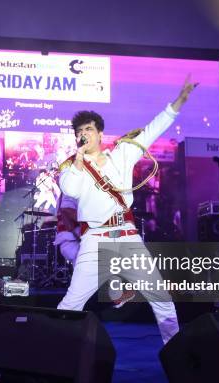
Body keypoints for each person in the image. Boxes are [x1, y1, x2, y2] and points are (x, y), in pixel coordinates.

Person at [56, 75, 197, 344]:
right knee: (71, 304)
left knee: (162, 298)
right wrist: (78, 161)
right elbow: (71, 190)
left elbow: (152, 130)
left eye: (87, 129)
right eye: (78, 132)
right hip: (94, 242)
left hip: (127, 238)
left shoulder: (121, 154)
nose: (82, 134)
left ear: (99, 133)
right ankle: (57, 355)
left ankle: (176, 352)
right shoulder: (72, 168)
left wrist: (179, 101)